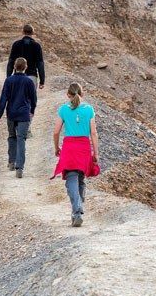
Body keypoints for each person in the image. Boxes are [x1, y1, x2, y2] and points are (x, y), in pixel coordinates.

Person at [51, 83, 100, 227]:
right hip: (84, 146)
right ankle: (78, 207)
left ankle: (77, 210)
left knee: (71, 178)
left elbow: (56, 132)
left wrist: (56, 148)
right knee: (80, 176)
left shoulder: (63, 109)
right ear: (82, 94)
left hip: (69, 146)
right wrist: (95, 153)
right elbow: (94, 133)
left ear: (68, 95)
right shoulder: (89, 109)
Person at [0, 57, 37, 178]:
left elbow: (3, 99)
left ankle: (11, 162)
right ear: (26, 67)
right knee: (21, 139)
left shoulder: (9, 81)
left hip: (11, 114)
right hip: (24, 114)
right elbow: (33, 98)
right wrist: (32, 110)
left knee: (12, 137)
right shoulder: (29, 82)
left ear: (14, 67)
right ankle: (20, 168)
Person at [6, 24, 45, 89]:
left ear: (23, 32)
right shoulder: (36, 46)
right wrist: (42, 82)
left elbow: (11, 62)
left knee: (17, 97)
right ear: (33, 32)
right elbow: (40, 64)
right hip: (32, 77)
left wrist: (8, 77)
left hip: (17, 77)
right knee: (31, 98)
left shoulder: (16, 44)